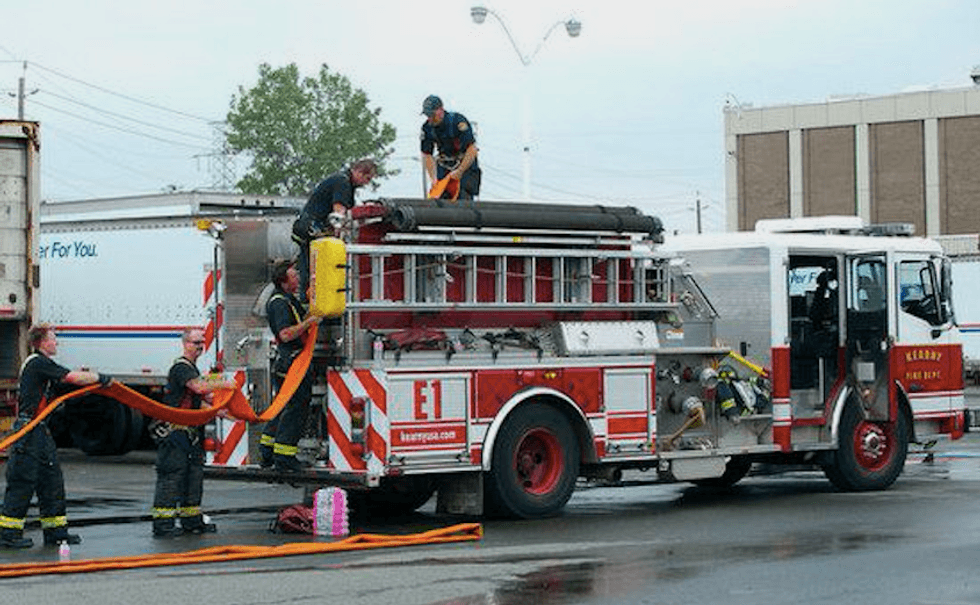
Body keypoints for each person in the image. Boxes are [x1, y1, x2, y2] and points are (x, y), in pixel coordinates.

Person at [0, 323, 110, 549]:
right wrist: (98, 377)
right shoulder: (38, 363)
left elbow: (64, 385)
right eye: (53, 338)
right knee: (23, 480)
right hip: (29, 431)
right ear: (41, 342)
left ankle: (56, 532)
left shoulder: (44, 364)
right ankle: (8, 534)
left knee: (51, 481)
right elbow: (70, 377)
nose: (56, 342)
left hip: (40, 431)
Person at [151, 327, 235, 538]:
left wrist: (229, 413)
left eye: (201, 342)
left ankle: (191, 521)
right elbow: (198, 388)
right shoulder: (181, 368)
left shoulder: (193, 370)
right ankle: (163, 525)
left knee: (193, 477)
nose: (199, 346)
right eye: (195, 342)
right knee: (172, 477)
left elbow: (201, 401)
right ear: (185, 344)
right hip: (175, 434)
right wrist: (224, 381)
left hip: (191, 434)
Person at [257, 260, 321, 473]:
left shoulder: (286, 299)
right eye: (294, 276)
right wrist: (309, 322)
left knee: (283, 407)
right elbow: (285, 334)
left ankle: (267, 451)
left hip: (289, 361)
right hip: (292, 362)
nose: (298, 278)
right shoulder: (279, 303)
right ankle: (285, 457)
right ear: (284, 281)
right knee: (296, 409)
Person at [291, 159, 377, 301]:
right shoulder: (342, 183)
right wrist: (341, 236)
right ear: (359, 172)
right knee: (314, 270)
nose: (367, 183)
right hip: (313, 229)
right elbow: (339, 213)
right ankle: (311, 302)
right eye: (367, 178)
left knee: (311, 268)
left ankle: (311, 300)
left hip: (311, 228)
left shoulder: (344, 182)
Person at [420, 94, 481, 200]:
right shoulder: (427, 128)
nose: (430, 119)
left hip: (464, 165)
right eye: (427, 116)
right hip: (445, 165)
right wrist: (433, 179)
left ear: (440, 110)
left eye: (432, 115)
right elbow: (427, 154)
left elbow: (472, 149)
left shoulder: (457, 122)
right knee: (439, 198)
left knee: (462, 197)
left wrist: (459, 171)